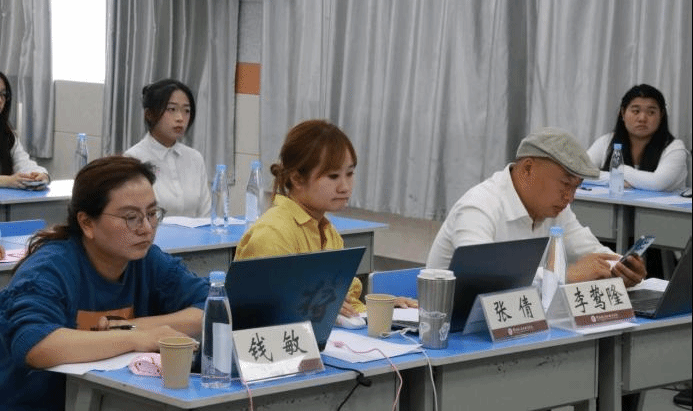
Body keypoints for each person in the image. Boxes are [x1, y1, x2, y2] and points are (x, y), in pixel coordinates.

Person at [0, 156, 209, 410]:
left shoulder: (146, 261)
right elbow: (33, 344)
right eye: (131, 217)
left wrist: (133, 326)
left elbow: (214, 306)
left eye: (152, 214)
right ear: (87, 223)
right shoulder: (50, 269)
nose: (146, 228)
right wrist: (136, 338)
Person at [235, 119, 417, 317]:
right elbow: (263, 315)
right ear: (297, 178)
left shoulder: (328, 233)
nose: (345, 187)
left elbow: (344, 304)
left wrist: (380, 308)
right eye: (333, 176)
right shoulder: (272, 234)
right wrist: (317, 309)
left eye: (349, 174)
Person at [426, 127, 646, 287]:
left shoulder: (555, 209)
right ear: (528, 169)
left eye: (576, 187)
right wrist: (564, 276)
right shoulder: (479, 207)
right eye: (565, 184)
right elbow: (480, 282)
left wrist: (622, 268)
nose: (569, 197)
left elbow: (591, 253)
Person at [125, 78, 211, 217]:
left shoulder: (195, 158)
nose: (180, 118)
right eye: (171, 109)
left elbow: (205, 214)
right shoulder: (133, 159)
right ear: (149, 114)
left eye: (186, 110)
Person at [587, 84, 688, 192]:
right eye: (636, 111)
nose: (642, 118)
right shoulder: (606, 141)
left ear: (661, 115)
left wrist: (620, 170)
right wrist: (615, 180)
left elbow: (657, 183)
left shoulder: (674, 148)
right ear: (623, 113)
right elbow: (579, 172)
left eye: (651, 112)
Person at [0, 72, 51, 189]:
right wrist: (6, 181)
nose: (0, 100)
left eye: (3, 94)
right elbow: (9, 180)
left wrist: (41, 175)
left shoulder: (8, 135)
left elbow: (24, 164)